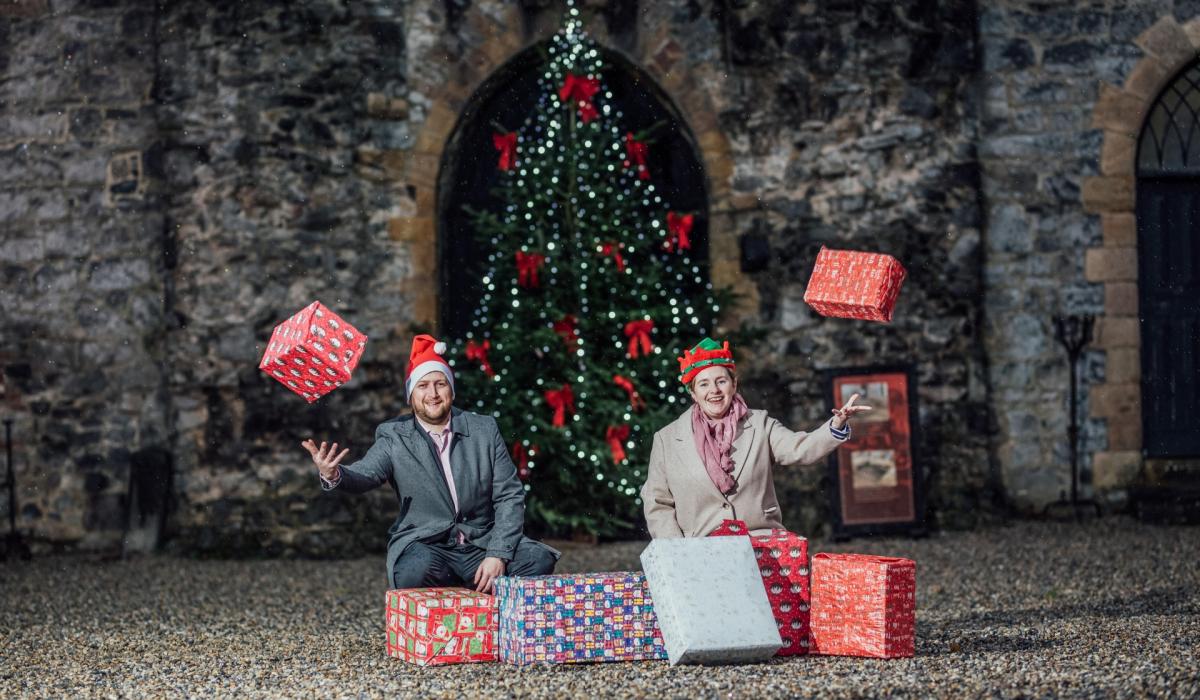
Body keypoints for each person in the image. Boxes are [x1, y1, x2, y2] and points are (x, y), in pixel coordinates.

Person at [303, 334, 558, 591]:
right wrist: (334, 474)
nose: (433, 394)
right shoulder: (394, 436)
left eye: (440, 384)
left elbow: (509, 496)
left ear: (451, 390)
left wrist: (498, 554)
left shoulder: (483, 429)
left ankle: (488, 609)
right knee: (413, 572)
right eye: (423, 386)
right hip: (429, 546)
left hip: (481, 543)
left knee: (537, 560)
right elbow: (366, 474)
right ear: (411, 395)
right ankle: (467, 596)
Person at [641, 337, 872, 538]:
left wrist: (836, 425)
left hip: (760, 544)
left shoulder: (760, 424)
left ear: (734, 384)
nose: (714, 390)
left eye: (721, 381)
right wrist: (676, 550)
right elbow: (657, 501)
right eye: (704, 384)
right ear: (693, 393)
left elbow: (799, 449)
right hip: (699, 549)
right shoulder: (667, 439)